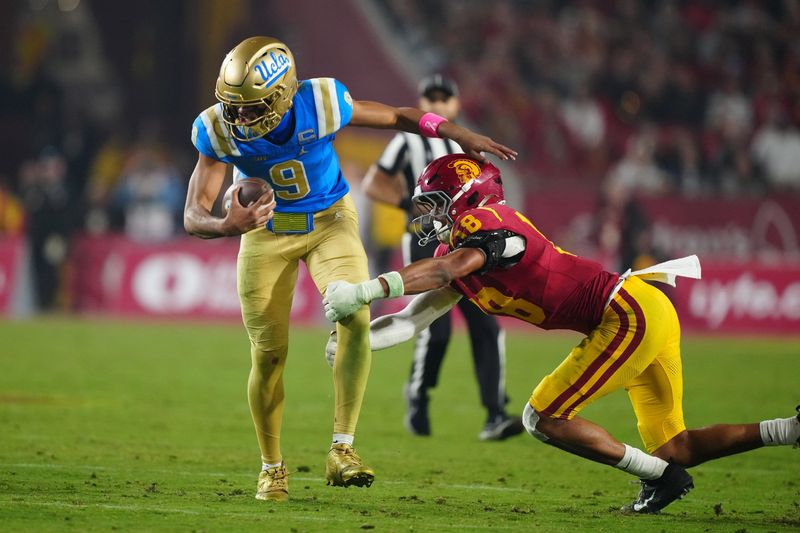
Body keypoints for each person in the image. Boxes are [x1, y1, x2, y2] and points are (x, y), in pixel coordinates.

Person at [323, 154, 800, 514]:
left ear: (468, 197)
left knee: (542, 416)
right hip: (640, 310)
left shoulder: (495, 228)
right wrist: (355, 339)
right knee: (677, 447)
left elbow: (448, 267)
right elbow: (409, 321)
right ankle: (790, 430)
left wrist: (364, 290)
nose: (430, 217)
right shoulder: (465, 256)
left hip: (627, 313)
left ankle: (660, 478)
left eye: (437, 204)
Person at [183, 37, 516, 503]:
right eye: (232, 107)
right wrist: (225, 224)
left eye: (250, 107)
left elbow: (398, 115)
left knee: (356, 317)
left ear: (281, 96)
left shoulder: (319, 102)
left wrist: (454, 132)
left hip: (330, 221)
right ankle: (271, 469)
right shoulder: (216, 128)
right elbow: (193, 215)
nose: (238, 118)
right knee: (268, 355)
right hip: (266, 234)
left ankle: (343, 449)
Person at [362, 74, 520, 440]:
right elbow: (374, 183)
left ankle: (495, 413)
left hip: (468, 242)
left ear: (456, 106)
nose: (436, 104)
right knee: (435, 330)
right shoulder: (407, 139)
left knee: (486, 323)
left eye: (443, 99)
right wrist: (411, 206)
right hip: (422, 240)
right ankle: (418, 395)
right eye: (429, 98)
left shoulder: (469, 146)